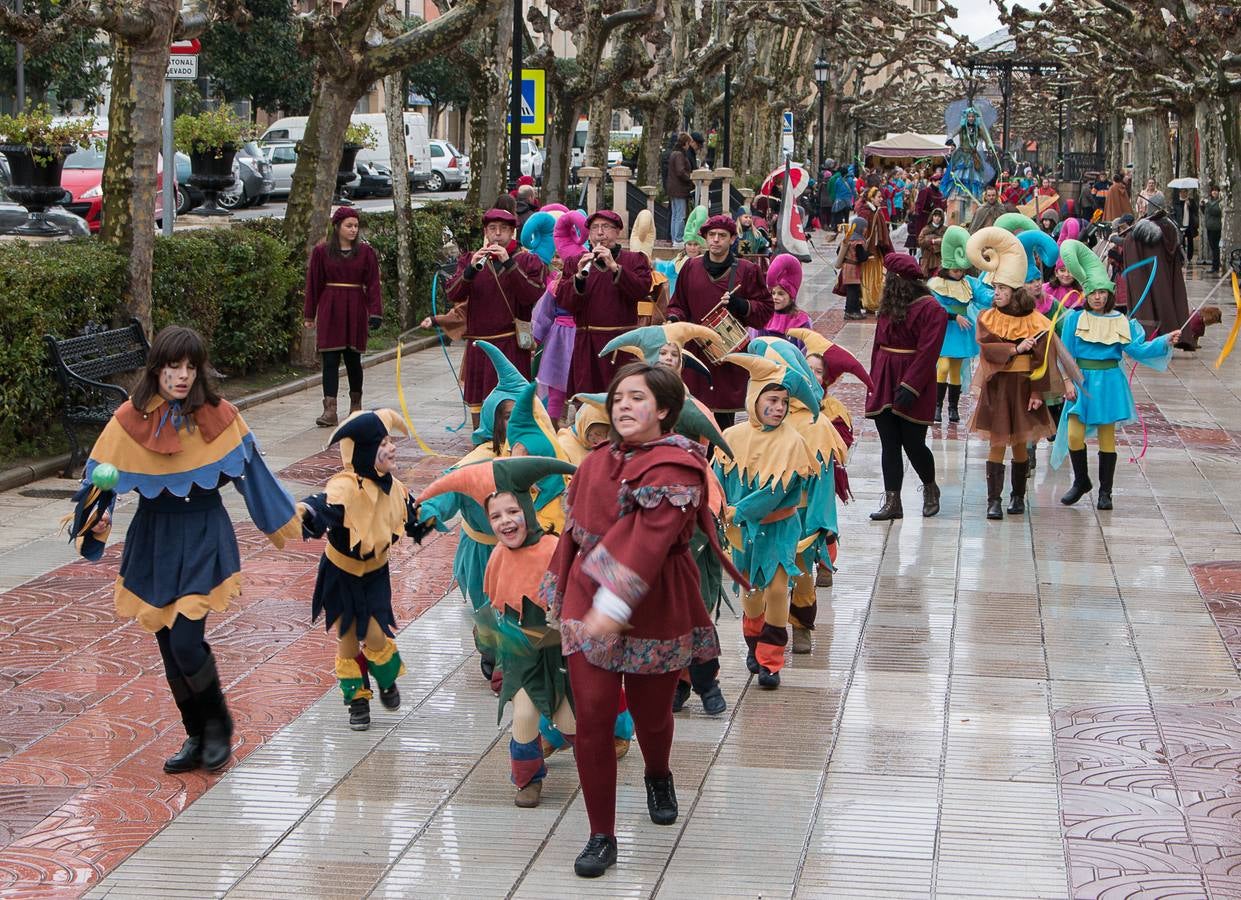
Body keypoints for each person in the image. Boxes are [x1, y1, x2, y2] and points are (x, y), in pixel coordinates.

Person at [67, 326, 300, 774]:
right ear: (157, 368)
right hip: (153, 539)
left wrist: (287, 518)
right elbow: (99, 483)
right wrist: (97, 519)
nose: (183, 376)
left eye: (191, 367)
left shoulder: (218, 415)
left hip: (202, 535)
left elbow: (255, 476)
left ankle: (218, 729)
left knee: (187, 642)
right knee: (168, 647)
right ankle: (195, 733)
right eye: (174, 366)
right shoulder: (127, 420)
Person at [543, 362, 742, 878]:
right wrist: (565, 591)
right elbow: (574, 534)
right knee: (592, 716)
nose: (624, 405)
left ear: (665, 410)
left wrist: (613, 605)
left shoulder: (676, 468)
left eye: (638, 397)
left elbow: (647, 543)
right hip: (590, 604)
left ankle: (658, 773)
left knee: (654, 718)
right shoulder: (592, 464)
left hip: (652, 603)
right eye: (619, 397)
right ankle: (601, 834)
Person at [420, 457, 579, 807]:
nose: (505, 521)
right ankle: (528, 779)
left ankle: (594, 749)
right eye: (495, 516)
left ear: (527, 508)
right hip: (521, 655)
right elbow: (492, 607)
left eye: (512, 511)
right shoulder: (496, 559)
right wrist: (495, 649)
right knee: (523, 717)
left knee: (572, 720)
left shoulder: (554, 549)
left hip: (559, 652)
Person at [299, 410, 417, 731]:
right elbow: (323, 504)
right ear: (364, 451)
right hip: (341, 574)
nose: (391, 448)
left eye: (390, 440)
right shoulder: (345, 486)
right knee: (348, 638)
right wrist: (304, 511)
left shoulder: (395, 487)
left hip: (376, 574)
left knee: (376, 633)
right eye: (382, 442)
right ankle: (357, 700)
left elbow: (413, 510)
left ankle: (386, 677)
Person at [716, 351, 822, 683]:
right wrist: (715, 508)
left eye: (784, 402)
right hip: (743, 533)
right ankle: (753, 643)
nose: (778, 408)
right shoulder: (732, 438)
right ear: (754, 399)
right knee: (751, 592)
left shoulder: (792, 441)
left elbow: (774, 492)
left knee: (777, 589)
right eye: (772, 400)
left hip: (779, 527)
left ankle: (771, 659)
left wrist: (740, 510)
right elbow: (716, 479)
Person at [1052, 241, 1178, 510]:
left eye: (1102, 293)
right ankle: (1081, 481)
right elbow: (1064, 354)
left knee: (1108, 436)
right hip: (1081, 380)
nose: (1097, 297)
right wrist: (1066, 381)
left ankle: (1105, 492)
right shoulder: (1074, 319)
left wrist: (1166, 340)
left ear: (1109, 294)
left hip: (1109, 382)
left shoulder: (1121, 322)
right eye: (1093, 293)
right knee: (1075, 434)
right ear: (1085, 294)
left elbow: (1138, 350)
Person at [965, 227, 1079, 520]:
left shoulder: (1035, 320)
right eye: (996, 288)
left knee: (1019, 444)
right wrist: (1015, 350)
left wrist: (1038, 391)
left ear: (1015, 291)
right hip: (998, 385)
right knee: (996, 442)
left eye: (1002, 289)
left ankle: (1017, 496)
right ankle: (993, 500)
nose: (996, 293)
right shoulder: (988, 317)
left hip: (1024, 386)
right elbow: (988, 348)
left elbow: (1043, 358)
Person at [434, 208, 546, 429]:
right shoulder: (470, 259)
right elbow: (453, 293)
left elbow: (531, 294)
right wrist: (469, 271)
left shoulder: (527, 261)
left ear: (512, 233)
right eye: (492, 229)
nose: (497, 235)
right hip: (479, 345)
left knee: (511, 401)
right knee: (479, 400)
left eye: (503, 229)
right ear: (485, 232)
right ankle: (480, 442)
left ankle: (511, 442)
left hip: (511, 343)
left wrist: (508, 264)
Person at [667, 214, 775, 428]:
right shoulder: (690, 268)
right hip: (695, 354)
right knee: (693, 416)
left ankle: (720, 461)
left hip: (728, 357)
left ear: (732, 239)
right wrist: (673, 319)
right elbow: (678, 304)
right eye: (711, 235)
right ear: (705, 239)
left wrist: (741, 305)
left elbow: (766, 309)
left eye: (722, 235)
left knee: (723, 423)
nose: (716, 239)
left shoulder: (747, 270)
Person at [864, 253, 949, 521]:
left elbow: (928, 353)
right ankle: (893, 502)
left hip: (914, 382)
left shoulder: (932, 309)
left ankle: (930, 488)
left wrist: (910, 386)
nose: (884, 281)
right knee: (889, 444)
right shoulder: (890, 306)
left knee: (913, 444)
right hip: (885, 378)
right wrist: (872, 382)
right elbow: (878, 345)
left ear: (897, 280)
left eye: (887, 276)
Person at [552, 209, 653, 396]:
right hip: (587, 344)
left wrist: (614, 267)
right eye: (595, 228)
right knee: (588, 401)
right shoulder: (575, 262)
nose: (600, 232)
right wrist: (578, 277)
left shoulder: (635, 259)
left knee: (622, 397)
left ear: (618, 232)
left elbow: (641, 290)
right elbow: (564, 301)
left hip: (621, 345)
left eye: (606, 227)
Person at [304, 206, 383, 427]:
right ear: (337, 227)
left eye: (356, 226)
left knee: (353, 360)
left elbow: (374, 284)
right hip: (331, 307)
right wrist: (309, 314)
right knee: (330, 359)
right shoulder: (322, 252)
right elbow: (313, 284)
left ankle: (355, 407)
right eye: (349, 225)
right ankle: (329, 410)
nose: (353, 230)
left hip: (356, 307)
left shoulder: (366, 253)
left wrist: (375, 312)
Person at [928, 226, 993, 424]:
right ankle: (936, 406)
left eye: (961, 270)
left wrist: (998, 295)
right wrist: (954, 316)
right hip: (945, 330)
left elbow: (983, 295)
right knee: (943, 365)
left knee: (956, 368)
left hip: (962, 332)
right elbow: (935, 307)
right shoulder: (937, 283)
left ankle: (952, 408)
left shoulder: (968, 282)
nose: (959, 274)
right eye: (955, 270)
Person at [1123, 213, 1190, 336]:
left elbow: (1131, 246)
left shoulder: (1141, 232)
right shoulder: (1170, 227)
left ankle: (1148, 335)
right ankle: (1166, 334)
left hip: (1146, 275)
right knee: (1163, 300)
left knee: (1148, 303)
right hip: (1163, 277)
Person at [751, 253, 812, 343]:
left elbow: (805, 349)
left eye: (781, 294)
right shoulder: (763, 317)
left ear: (791, 297)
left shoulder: (801, 320)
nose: (775, 297)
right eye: (773, 293)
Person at [859, 188, 894, 311]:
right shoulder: (865, 213)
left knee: (877, 278)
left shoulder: (876, 211)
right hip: (869, 252)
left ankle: (874, 301)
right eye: (878, 197)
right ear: (871, 198)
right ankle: (870, 302)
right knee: (870, 278)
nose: (881, 199)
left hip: (877, 250)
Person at [836, 215, 868, 320]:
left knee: (852, 290)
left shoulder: (848, 238)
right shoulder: (858, 242)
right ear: (860, 228)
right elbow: (862, 257)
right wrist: (868, 255)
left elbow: (838, 251)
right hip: (853, 268)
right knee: (853, 292)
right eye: (865, 227)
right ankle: (851, 312)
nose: (866, 230)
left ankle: (853, 311)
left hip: (846, 267)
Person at [665, 134, 693, 245]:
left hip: (673, 188)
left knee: (675, 215)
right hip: (679, 189)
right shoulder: (680, 155)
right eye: (688, 143)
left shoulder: (673, 153)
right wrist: (690, 178)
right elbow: (680, 171)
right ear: (685, 143)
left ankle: (674, 238)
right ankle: (678, 238)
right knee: (680, 215)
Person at [917, 207, 946, 276]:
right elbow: (920, 241)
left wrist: (939, 241)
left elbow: (946, 241)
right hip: (927, 257)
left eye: (939, 216)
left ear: (942, 218)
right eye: (935, 216)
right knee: (926, 277)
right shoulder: (926, 229)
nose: (937, 218)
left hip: (939, 257)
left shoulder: (944, 229)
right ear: (932, 217)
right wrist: (933, 241)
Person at [1173, 189, 1200, 263]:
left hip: (1189, 224)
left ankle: (1189, 257)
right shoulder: (1177, 202)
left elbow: (1195, 210)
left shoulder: (1190, 200)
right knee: (1181, 241)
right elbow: (1175, 212)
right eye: (1181, 192)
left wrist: (1189, 205)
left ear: (1187, 193)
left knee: (1190, 241)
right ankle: (1182, 257)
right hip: (1180, 224)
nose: (1183, 193)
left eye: (1184, 192)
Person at [1203, 185, 1223, 274]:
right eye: (1213, 190)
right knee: (1212, 247)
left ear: (1219, 192)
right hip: (1209, 227)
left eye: (1216, 191)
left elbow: (1216, 211)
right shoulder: (1210, 201)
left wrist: (1207, 204)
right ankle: (1214, 265)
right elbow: (1206, 212)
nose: (1214, 192)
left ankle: (1216, 266)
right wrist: (1202, 206)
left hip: (1216, 228)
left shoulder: (1220, 202)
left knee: (1215, 247)